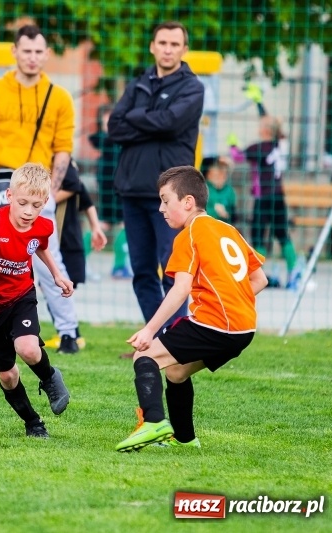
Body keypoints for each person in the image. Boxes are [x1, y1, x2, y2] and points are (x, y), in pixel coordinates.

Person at [115, 166, 267, 452]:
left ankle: (153, 422)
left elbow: (181, 288)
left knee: (144, 355)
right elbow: (260, 279)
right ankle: (185, 440)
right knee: (176, 371)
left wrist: (149, 330)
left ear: (187, 202)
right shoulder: (229, 230)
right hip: (244, 330)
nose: (161, 209)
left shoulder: (189, 234)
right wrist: (232, 299)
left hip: (214, 324)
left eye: (165, 200)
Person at [0, 24, 81, 354]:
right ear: (14, 51)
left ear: (47, 54)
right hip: (0, 185)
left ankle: (68, 330)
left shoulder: (59, 97)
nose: (32, 57)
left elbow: (63, 149)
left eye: (38, 51)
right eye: (26, 51)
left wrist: (51, 192)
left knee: (48, 257)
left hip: (39, 189)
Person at [0, 163, 74, 438]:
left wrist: (57, 275)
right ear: (9, 196)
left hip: (21, 296)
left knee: (28, 349)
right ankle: (33, 421)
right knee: (7, 375)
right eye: (22, 203)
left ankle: (49, 377)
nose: (29, 211)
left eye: (36, 205)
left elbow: (39, 245)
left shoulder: (43, 225)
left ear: (46, 202)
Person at [108, 21, 204, 358]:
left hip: (171, 195)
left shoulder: (192, 88)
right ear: (152, 46)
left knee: (174, 271)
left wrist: (137, 118)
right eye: (162, 42)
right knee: (143, 272)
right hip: (132, 191)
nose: (167, 49)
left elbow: (171, 123)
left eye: (174, 44)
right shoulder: (138, 84)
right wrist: (152, 121)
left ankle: (176, 345)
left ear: (184, 49)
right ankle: (153, 342)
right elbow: (114, 127)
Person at [228, 116, 298, 287]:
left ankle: (258, 276)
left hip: (263, 197)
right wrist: (259, 105)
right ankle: (295, 273)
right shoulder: (279, 145)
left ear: (266, 130)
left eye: (261, 125)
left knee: (258, 235)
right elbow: (273, 123)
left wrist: (232, 144)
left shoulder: (258, 148)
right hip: (278, 196)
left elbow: (237, 157)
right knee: (282, 234)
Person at [50, 160, 107, 352]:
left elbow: (83, 197)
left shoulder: (67, 172)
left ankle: (72, 334)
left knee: (64, 288)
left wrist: (96, 227)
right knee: (52, 289)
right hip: (53, 243)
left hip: (68, 242)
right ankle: (66, 332)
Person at [88, 104, 131, 278]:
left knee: (124, 224)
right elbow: (96, 140)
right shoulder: (104, 139)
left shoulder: (123, 138)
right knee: (104, 223)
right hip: (108, 189)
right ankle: (80, 260)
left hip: (123, 187)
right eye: (106, 118)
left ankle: (120, 265)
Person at [203, 157, 237, 223]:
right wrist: (215, 211)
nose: (220, 179)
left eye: (223, 176)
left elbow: (233, 214)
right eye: (216, 176)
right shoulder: (205, 189)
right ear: (208, 175)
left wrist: (226, 214)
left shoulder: (229, 191)